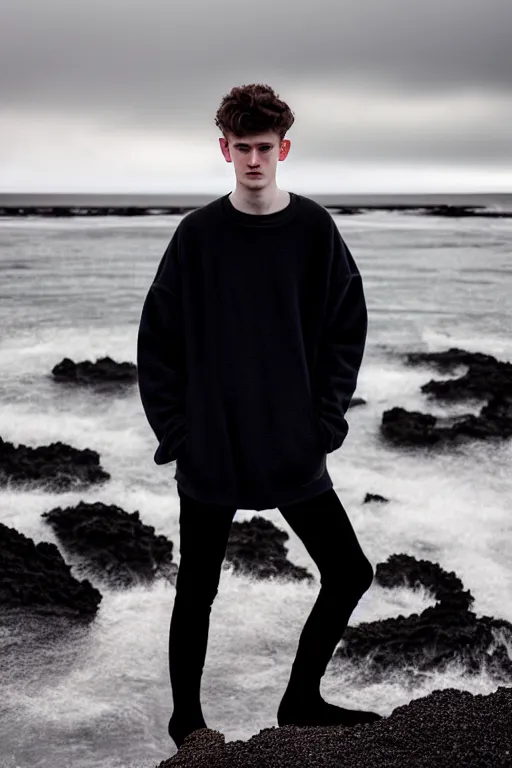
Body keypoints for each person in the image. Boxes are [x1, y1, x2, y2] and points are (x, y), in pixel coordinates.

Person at [137, 83, 382, 750]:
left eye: (264, 148)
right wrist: (178, 434)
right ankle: (187, 722)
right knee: (199, 588)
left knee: (350, 572)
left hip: (291, 443)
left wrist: (326, 419)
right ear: (224, 149)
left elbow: (345, 325)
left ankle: (300, 701)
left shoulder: (312, 230)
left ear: (284, 149)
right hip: (212, 448)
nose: (253, 159)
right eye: (241, 147)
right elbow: (156, 341)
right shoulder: (197, 236)